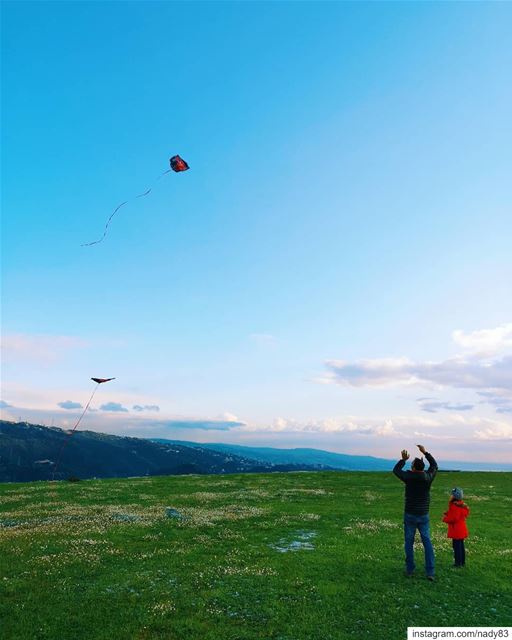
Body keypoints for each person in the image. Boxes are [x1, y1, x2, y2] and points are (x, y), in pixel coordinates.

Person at [393, 444, 438, 581]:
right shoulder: (427, 477)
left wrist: (403, 460)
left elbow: (396, 470)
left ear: (413, 467)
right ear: (422, 467)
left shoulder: (408, 477)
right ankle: (430, 571)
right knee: (427, 542)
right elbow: (434, 466)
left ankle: (410, 569)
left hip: (410, 514)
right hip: (423, 514)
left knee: (409, 542)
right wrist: (425, 452)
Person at [443, 487, 469, 568]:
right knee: (460, 546)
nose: (450, 496)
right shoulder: (461, 504)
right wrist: (447, 513)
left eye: (451, 494)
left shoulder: (455, 506)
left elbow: (454, 518)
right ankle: (462, 562)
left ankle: (458, 563)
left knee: (456, 547)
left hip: (456, 530)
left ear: (455, 497)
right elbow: (462, 513)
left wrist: (445, 519)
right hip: (461, 529)